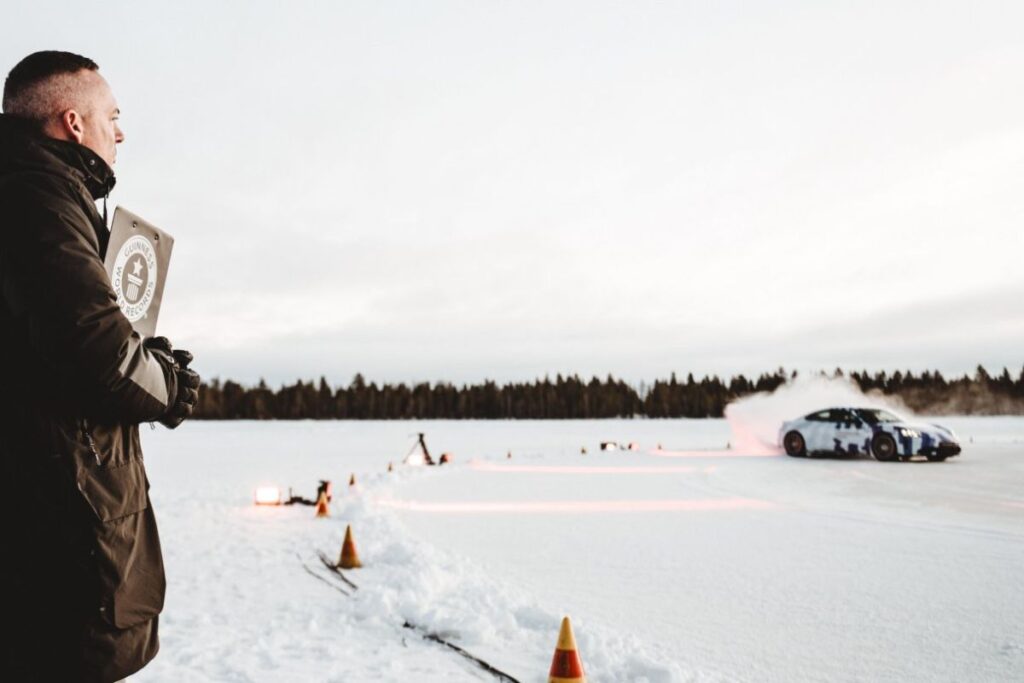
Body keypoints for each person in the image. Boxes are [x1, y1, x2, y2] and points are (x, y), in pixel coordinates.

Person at [0, 51, 200, 681]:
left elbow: (66, 341)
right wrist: (169, 386)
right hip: (61, 536)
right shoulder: (37, 197)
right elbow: (102, 353)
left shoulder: (37, 192)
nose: (120, 131)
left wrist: (149, 356)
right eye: (111, 115)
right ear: (72, 122)